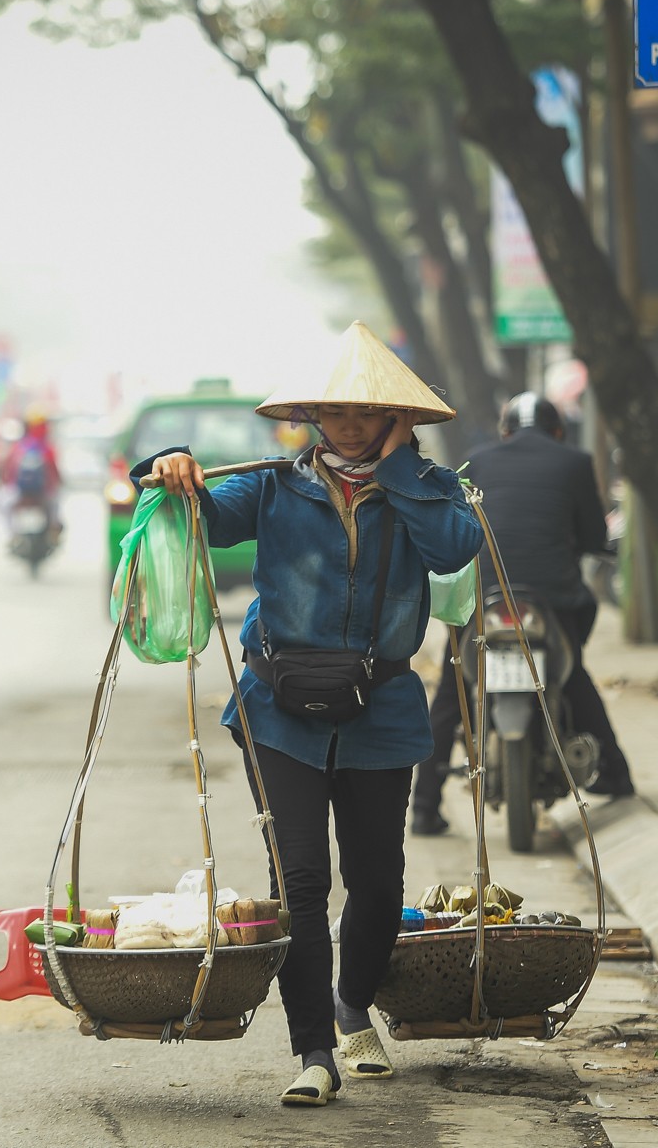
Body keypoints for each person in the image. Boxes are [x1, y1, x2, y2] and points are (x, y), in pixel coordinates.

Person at [142, 322, 481, 1108]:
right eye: (335, 411)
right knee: (298, 882)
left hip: (383, 709)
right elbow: (205, 516)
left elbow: (452, 550)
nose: (351, 426)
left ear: (397, 419)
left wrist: (397, 469)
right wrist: (169, 470)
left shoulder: (427, 489)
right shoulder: (270, 484)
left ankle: (353, 1002)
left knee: (377, 877)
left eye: (368, 413)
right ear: (310, 416)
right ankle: (313, 1049)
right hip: (277, 710)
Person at [412, 392, 632, 836]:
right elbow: (593, 534)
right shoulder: (574, 462)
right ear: (557, 432)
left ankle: (423, 808)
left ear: (505, 432)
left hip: (481, 595)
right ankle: (614, 773)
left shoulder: (478, 458)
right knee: (572, 675)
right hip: (551, 600)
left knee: (454, 690)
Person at [0, 409, 63, 535]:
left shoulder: (19, 446)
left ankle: (11, 535)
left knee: (0, 503)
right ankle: (54, 531)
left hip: (20, 493)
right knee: (57, 502)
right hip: (43, 493)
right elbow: (54, 472)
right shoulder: (46, 448)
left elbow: (8, 471)